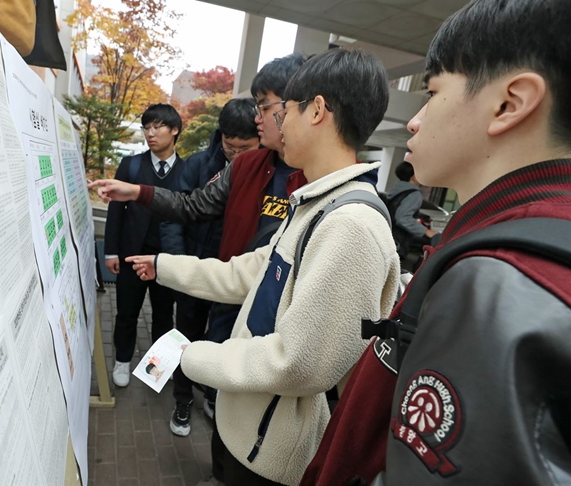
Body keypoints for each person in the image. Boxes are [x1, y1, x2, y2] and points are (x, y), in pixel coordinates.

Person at [300, 1, 571, 485]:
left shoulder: (494, 280)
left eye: (433, 91)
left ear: (510, 103)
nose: (414, 120)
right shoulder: (526, 239)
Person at [122, 48, 399, 486]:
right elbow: (245, 273)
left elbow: (298, 364)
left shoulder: (351, 226)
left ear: (317, 111)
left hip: (269, 456)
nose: (268, 122)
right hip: (247, 432)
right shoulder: (314, 204)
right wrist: (163, 266)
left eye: (282, 110)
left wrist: (188, 354)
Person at [162, 98, 260, 438]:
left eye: (244, 147)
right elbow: (174, 215)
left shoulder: (263, 175)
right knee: (185, 336)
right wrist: (180, 262)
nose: (234, 153)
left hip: (233, 279)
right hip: (195, 272)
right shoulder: (198, 166)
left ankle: (215, 395)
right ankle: (183, 399)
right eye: (228, 145)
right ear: (220, 136)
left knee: (223, 343)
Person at [103, 103, 185, 388]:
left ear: (175, 130)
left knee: (164, 316)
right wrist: (111, 251)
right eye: (146, 127)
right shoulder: (132, 165)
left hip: (167, 259)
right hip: (131, 256)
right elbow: (116, 210)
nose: (151, 133)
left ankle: (157, 369)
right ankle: (123, 361)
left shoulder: (187, 170)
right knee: (127, 312)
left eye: (158, 127)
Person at [387, 161, 438, 259]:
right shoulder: (414, 194)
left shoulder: (396, 189)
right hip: (398, 242)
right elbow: (403, 218)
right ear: (414, 177)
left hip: (387, 237)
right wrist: (426, 231)